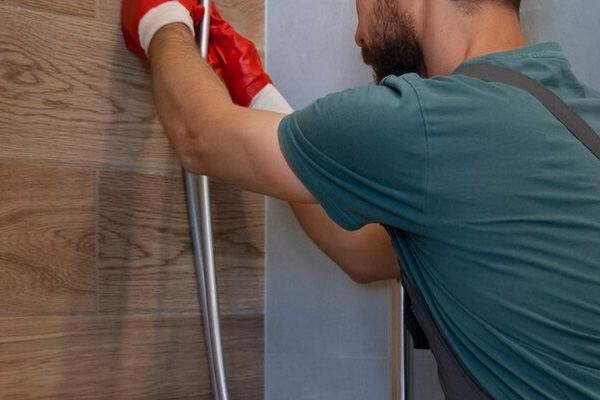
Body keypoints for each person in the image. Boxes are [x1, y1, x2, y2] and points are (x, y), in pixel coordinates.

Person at [121, 0, 600, 398]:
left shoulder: (426, 121)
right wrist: (256, 91)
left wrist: (162, 18)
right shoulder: (580, 117)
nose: (357, 34)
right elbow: (365, 254)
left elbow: (199, 137)